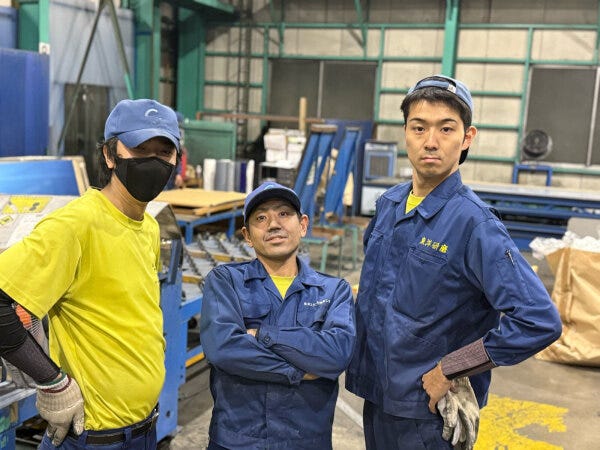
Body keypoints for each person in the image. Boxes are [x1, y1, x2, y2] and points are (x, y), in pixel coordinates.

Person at [345, 75, 562, 449]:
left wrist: (453, 367)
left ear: (467, 138)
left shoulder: (475, 225)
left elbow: (538, 320)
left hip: (428, 414)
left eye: (446, 129)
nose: (430, 141)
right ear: (406, 133)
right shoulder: (389, 206)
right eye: (419, 127)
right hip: (377, 398)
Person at [0, 98, 181, 449]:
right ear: (110, 155)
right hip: (92, 438)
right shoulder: (75, 225)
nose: (153, 161)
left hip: (144, 431)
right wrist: (52, 381)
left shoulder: (148, 227)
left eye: (164, 152)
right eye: (140, 149)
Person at [200, 181, 356, 450]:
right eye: (261, 218)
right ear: (248, 236)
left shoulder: (334, 290)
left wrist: (263, 334)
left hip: (306, 441)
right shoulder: (226, 281)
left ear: (303, 225)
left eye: (284, 213)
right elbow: (223, 348)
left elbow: (337, 354)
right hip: (239, 441)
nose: (273, 224)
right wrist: (298, 370)